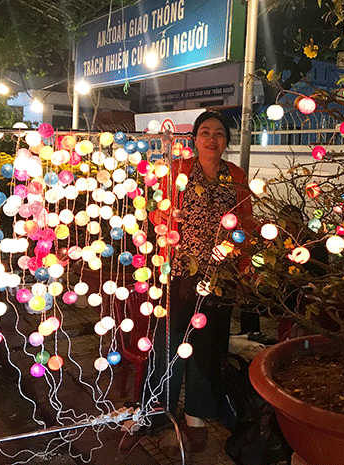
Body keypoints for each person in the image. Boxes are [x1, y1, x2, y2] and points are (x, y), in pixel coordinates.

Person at [147, 111, 253, 452]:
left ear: (226, 141)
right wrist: (161, 214)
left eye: (219, 133)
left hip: (218, 276)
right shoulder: (178, 171)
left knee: (208, 346)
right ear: (193, 138)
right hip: (179, 270)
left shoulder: (235, 176)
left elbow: (246, 226)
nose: (212, 138)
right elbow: (155, 208)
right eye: (205, 132)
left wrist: (244, 263)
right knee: (170, 340)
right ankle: (159, 407)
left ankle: (196, 412)